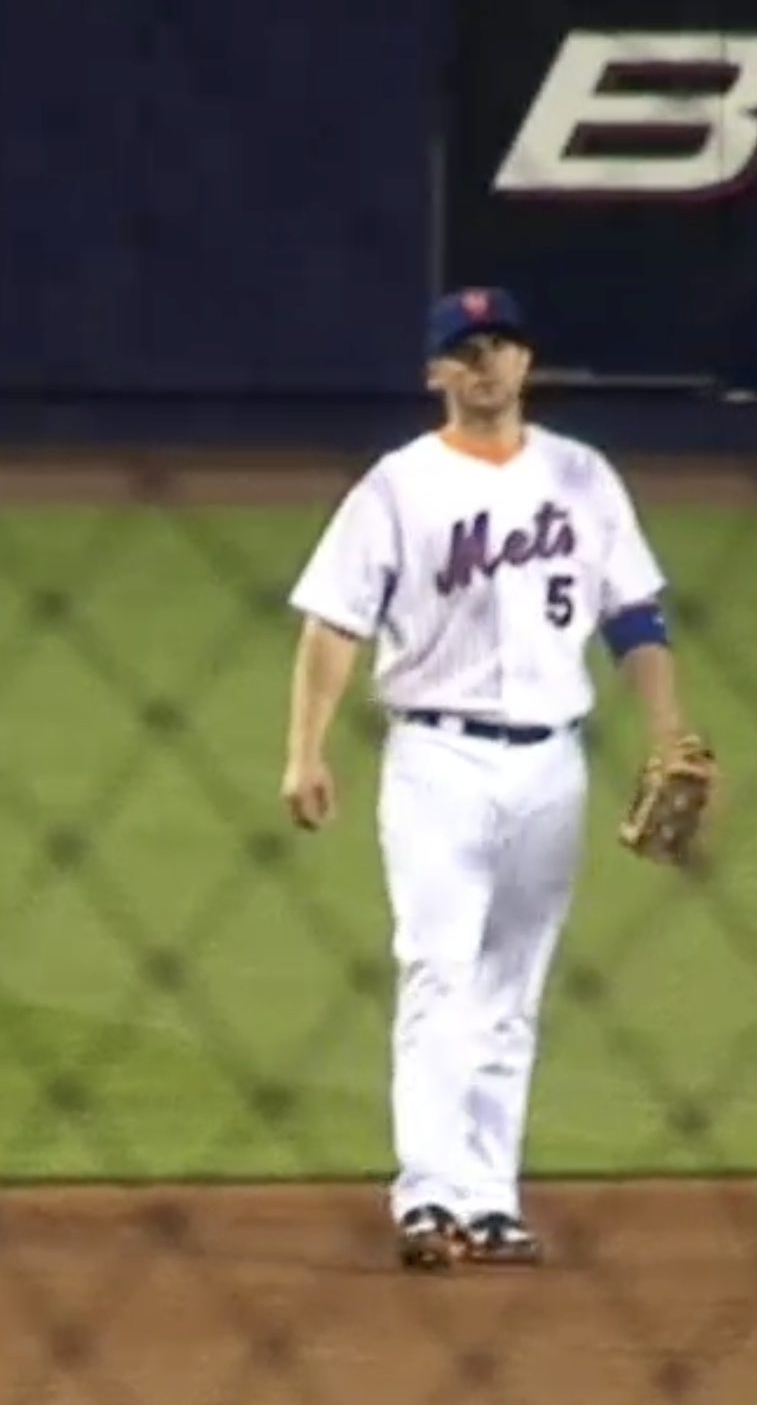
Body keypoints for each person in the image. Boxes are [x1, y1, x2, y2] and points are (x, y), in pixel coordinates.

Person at [280, 287, 711, 1271]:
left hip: (552, 761)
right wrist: (304, 749)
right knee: (438, 969)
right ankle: (424, 1196)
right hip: (434, 756)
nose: (485, 364)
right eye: (464, 350)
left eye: (501, 345)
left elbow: (633, 617)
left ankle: (487, 1198)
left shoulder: (581, 476)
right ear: (435, 371)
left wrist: (666, 727)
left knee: (511, 989)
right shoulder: (396, 486)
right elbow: (332, 623)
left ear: (525, 361)